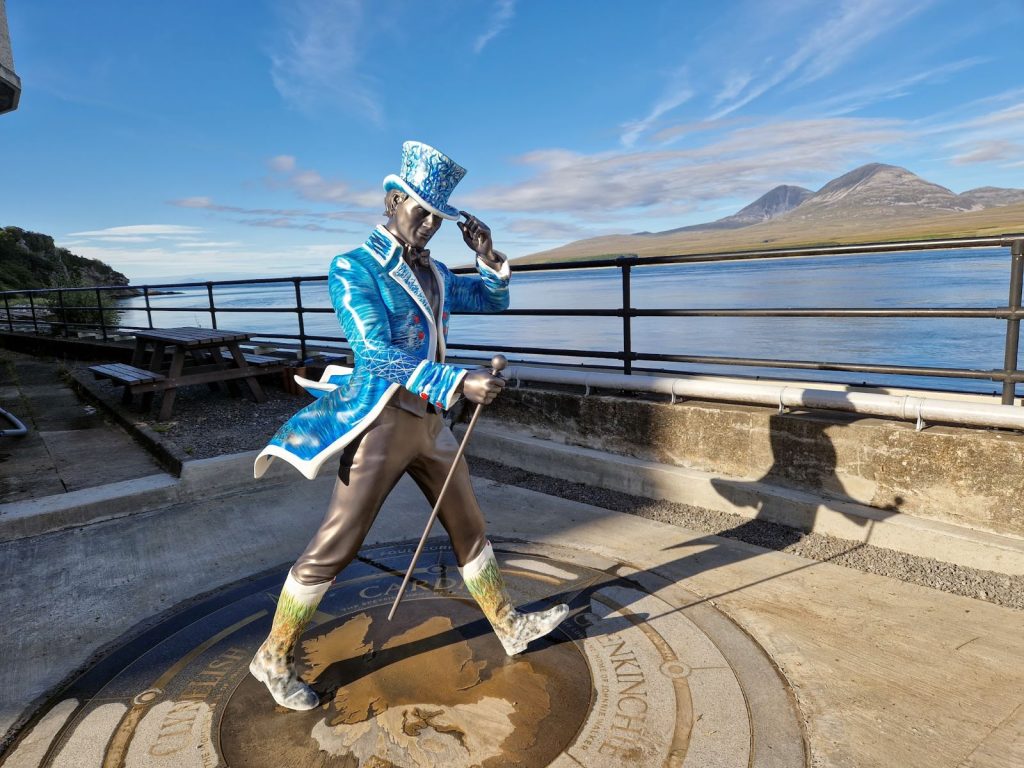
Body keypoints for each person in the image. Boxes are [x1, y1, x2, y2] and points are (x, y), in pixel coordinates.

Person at [249, 141, 568, 711]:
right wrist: (458, 381)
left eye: (437, 219)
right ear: (394, 201)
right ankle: (272, 655)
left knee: (470, 524)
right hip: (382, 423)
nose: (427, 225)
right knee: (338, 544)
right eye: (419, 212)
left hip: (431, 422)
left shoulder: (438, 270)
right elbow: (376, 354)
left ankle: (508, 625)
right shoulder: (353, 267)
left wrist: (489, 256)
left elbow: (491, 300)